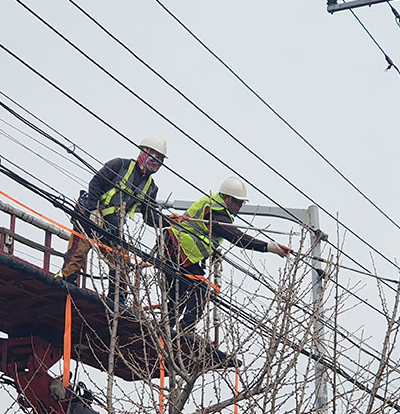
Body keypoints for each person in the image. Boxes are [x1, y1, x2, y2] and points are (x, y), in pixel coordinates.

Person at [164, 176, 291, 330]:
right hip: (177, 249)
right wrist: (267, 247)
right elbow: (237, 237)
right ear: (227, 198)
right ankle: (183, 331)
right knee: (199, 290)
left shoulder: (214, 206)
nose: (239, 207)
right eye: (237, 202)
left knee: (180, 296)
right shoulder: (216, 213)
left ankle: (167, 329)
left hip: (179, 251)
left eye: (241, 203)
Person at [58, 136, 167, 303]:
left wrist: (168, 223)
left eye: (160, 160)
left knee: (122, 261)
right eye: (154, 157)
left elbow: (148, 215)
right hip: (89, 214)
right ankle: (66, 283)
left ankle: (117, 299)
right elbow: (95, 183)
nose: (156, 162)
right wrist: (93, 210)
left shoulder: (151, 187)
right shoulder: (119, 165)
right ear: (144, 153)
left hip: (113, 226)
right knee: (79, 251)